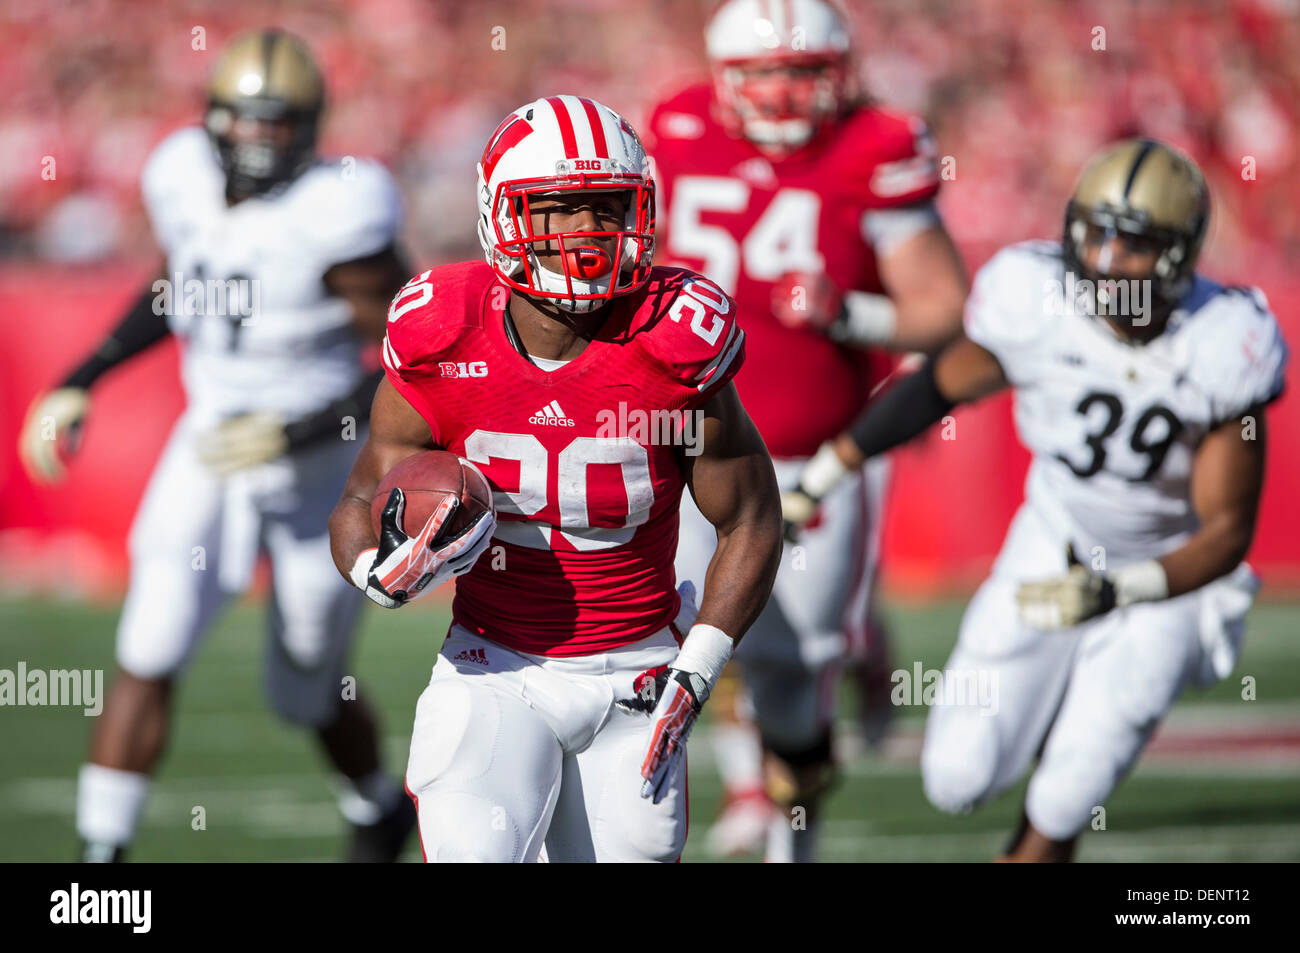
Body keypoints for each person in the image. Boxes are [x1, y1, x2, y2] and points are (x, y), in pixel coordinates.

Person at [786, 138, 1287, 861]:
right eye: (1097, 232)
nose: (1109, 259)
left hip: (1165, 578)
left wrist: (1121, 590)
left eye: (1135, 244)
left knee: (1066, 790)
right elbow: (937, 386)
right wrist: (822, 476)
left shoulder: (1220, 340)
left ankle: (1050, 819)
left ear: (1178, 258)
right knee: (956, 775)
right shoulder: (1036, 299)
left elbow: (1227, 531)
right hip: (1053, 543)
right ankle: (1057, 720)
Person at [328, 95, 784, 862]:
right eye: (557, 211)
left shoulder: (674, 342)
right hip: (496, 665)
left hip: (644, 673)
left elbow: (751, 515)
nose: (585, 235)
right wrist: (374, 569)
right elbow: (361, 494)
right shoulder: (443, 333)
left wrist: (699, 669)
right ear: (502, 217)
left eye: (606, 210)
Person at [18, 29, 414, 862]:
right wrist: (83, 376)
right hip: (208, 450)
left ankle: (379, 804)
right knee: (149, 644)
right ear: (212, 119)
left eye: (277, 124)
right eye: (243, 121)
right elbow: (176, 286)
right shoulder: (181, 178)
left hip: (317, 473)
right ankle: (101, 858)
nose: (257, 140)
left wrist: (300, 427)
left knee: (306, 686)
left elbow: (409, 353)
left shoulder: (341, 210)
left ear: (309, 126)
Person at [645, 0, 968, 860]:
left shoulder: (877, 147)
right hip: (682, 439)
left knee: (795, 672)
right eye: (764, 75)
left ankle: (797, 836)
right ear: (723, 81)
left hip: (816, 452)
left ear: (839, 74)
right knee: (654, 638)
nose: (785, 95)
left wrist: (850, 312)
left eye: (803, 73)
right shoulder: (674, 130)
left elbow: (942, 313)